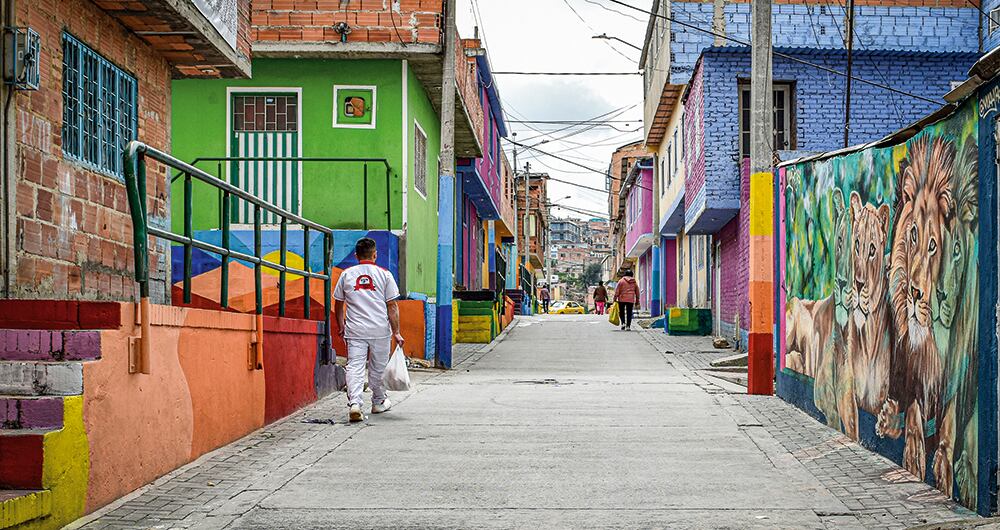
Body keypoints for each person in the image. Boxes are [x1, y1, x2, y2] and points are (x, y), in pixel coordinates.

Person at [334, 237, 405, 423]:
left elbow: (338, 304)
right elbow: (392, 306)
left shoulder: (346, 274)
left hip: (355, 330)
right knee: (378, 367)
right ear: (375, 255)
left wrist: (341, 325)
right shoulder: (385, 275)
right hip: (380, 330)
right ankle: (378, 401)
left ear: (356, 255)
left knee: (355, 366)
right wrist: (396, 332)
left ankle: (355, 404)